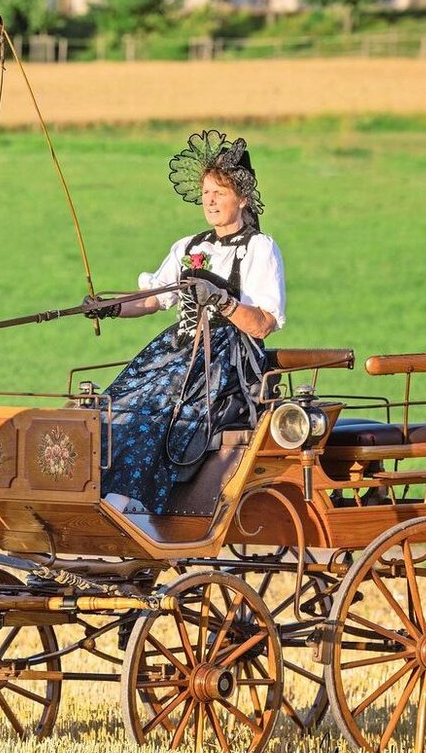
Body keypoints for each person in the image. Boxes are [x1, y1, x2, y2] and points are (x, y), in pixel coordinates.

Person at [82, 130, 285, 515]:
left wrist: (223, 302)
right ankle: (91, 488)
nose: (210, 201)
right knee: (115, 403)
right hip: (179, 348)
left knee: (157, 405)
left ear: (242, 198)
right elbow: (156, 298)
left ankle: (129, 500)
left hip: (228, 357)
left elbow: (262, 324)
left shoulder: (260, 249)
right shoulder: (190, 247)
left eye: (219, 193)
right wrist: (111, 307)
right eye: (206, 192)